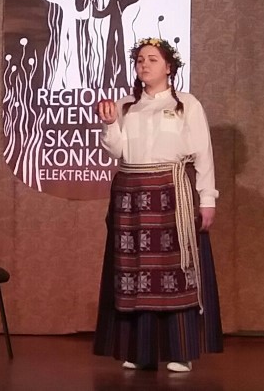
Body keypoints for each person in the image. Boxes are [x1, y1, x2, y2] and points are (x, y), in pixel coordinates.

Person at [93, 37, 223, 372]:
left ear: (169, 67)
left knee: (173, 269)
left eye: (152, 59)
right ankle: (139, 350)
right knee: (133, 270)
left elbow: (203, 154)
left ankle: (180, 351)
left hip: (170, 192)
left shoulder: (187, 104)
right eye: (139, 60)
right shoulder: (126, 106)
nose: (144, 64)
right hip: (131, 195)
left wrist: (207, 199)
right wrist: (109, 123)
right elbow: (117, 151)